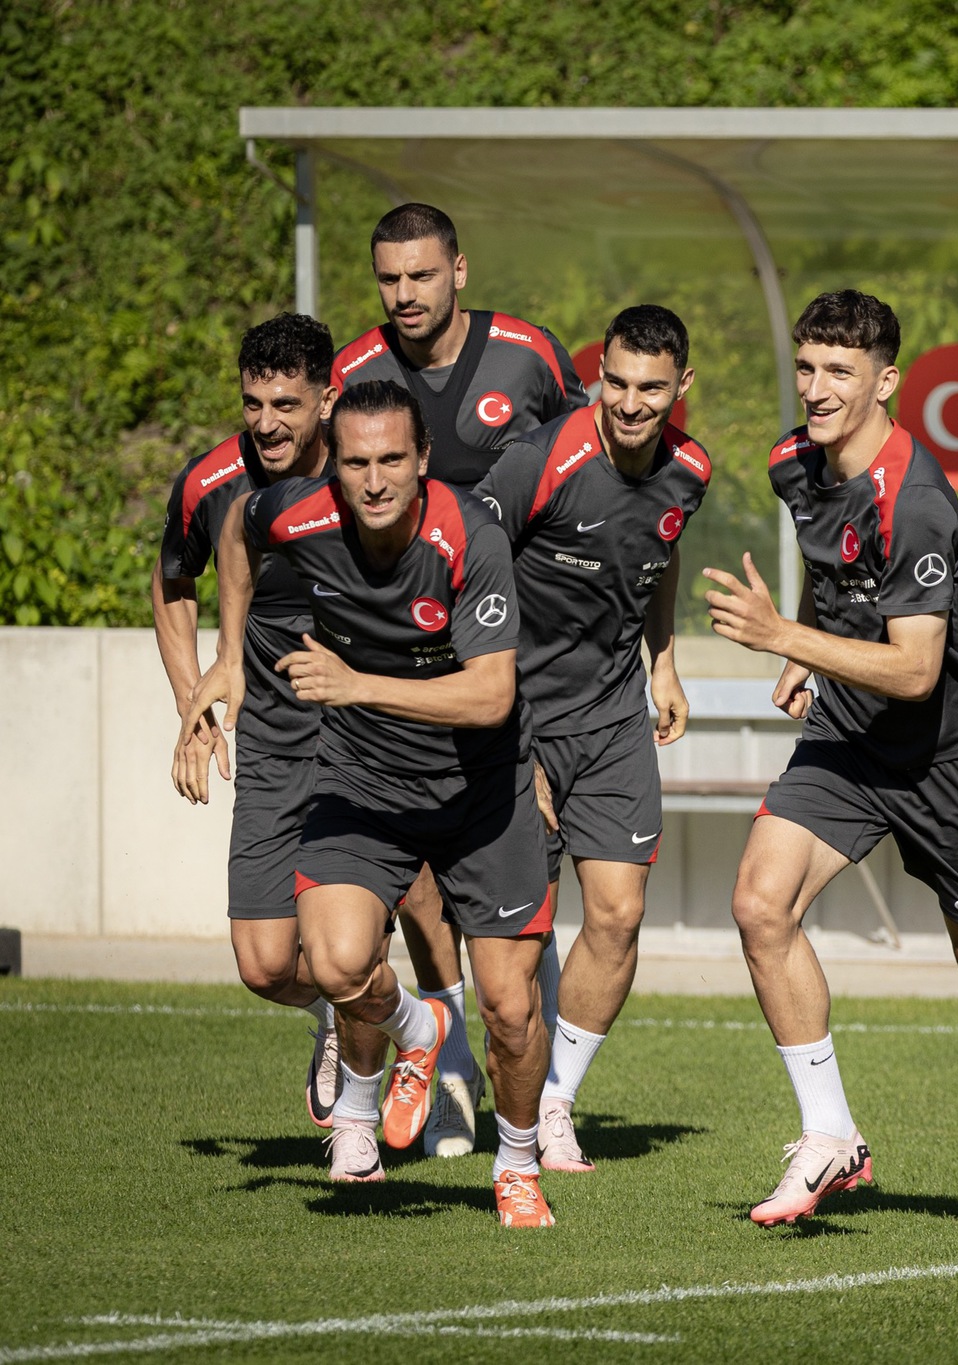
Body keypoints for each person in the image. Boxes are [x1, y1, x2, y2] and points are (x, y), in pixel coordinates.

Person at [702, 289, 958, 1227]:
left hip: (949, 761)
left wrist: (784, 638)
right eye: (806, 367)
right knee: (760, 904)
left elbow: (917, 669)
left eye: (839, 372)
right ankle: (828, 1133)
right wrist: (806, 645)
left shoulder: (918, 502)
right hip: (849, 740)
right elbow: (833, 566)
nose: (816, 389)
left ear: (885, 381)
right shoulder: (791, 463)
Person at [173, 380, 558, 1227]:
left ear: (423, 459)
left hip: (482, 793)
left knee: (510, 1010)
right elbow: (235, 528)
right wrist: (230, 654)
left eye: (391, 460)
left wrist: (356, 685)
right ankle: (418, 1032)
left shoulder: (470, 535)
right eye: (355, 463)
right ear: (334, 466)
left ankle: (519, 1162)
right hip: (363, 782)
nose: (374, 481)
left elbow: (491, 695)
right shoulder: (296, 511)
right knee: (338, 963)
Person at [331, 202, 586, 1157]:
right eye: (388, 277)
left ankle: (543, 1100)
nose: (404, 293)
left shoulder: (528, 356)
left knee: (523, 892)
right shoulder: (354, 372)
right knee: (414, 890)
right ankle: (449, 1076)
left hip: (513, 658)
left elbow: (585, 473)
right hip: (397, 668)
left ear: (459, 271)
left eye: (422, 275)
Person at [473, 304, 708, 1171]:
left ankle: (556, 1101)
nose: (630, 403)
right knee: (518, 944)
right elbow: (463, 565)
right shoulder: (538, 461)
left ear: (681, 387)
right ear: (596, 375)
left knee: (618, 912)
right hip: (515, 719)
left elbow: (660, 552)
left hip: (611, 718)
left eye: (651, 388)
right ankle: (451, 1064)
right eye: (616, 383)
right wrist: (511, 738)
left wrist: (664, 663)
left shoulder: (690, 470)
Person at [153, 313, 345, 1127]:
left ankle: (426, 1061)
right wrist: (193, 701)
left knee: (367, 932)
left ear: (327, 399)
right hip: (272, 743)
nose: (266, 423)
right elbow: (172, 579)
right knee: (266, 963)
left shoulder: (370, 466)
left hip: (373, 739)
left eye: (286, 405)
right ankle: (345, 1016)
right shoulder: (212, 482)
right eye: (252, 403)